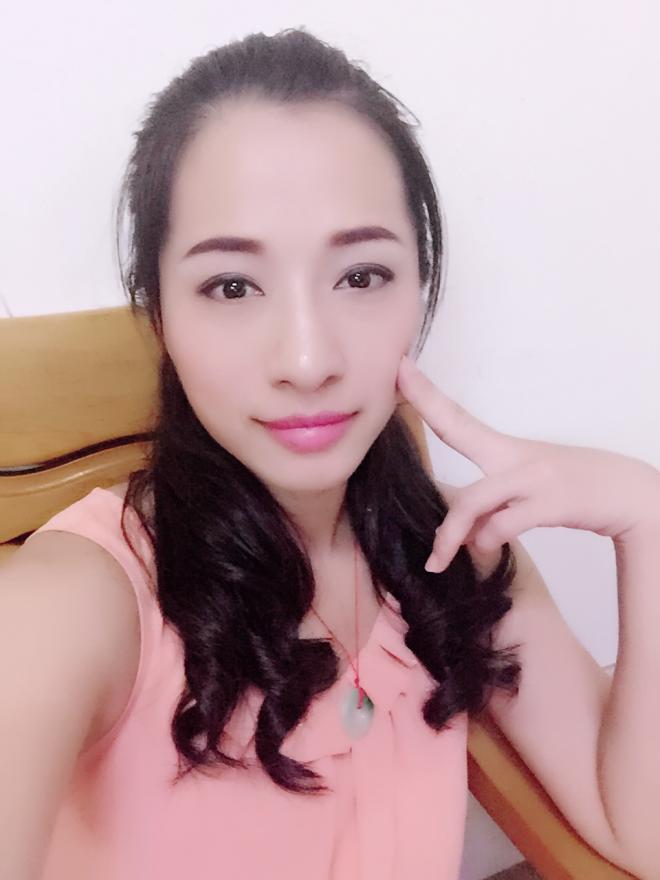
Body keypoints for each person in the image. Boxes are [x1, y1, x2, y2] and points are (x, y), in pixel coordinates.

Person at [2, 26, 659, 880]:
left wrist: (646, 516)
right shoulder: (78, 604)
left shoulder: (452, 549)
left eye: (361, 276)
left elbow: (642, 832)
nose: (308, 360)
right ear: (160, 312)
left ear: (420, 285)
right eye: (232, 286)